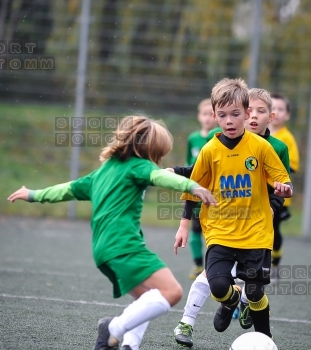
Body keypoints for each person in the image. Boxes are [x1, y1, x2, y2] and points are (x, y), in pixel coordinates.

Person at [7, 116, 217, 350]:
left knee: (146, 298)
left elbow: (65, 190)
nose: (158, 160)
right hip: (123, 245)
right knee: (171, 291)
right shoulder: (139, 165)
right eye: (158, 153)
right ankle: (113, 329)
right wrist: (192, 185)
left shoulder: (101, 173)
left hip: (103, 250)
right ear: (147, 149)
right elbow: (160, 176)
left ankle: (129, 345)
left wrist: (34, 194)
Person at [173, 79, 292, 347]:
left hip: (256, 234)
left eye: (235, 114)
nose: (229, 120)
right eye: (223, 115)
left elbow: (281, 180)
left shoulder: (261, 148)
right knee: (217, 286)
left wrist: (285, 189)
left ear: (247, 114)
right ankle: (231, 301)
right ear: (214, 116)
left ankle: (265, 340)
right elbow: (194, 187)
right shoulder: (209, 150)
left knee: (256, 291)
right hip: (219, 232)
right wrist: (183, 226)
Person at [185, 98, 218, 279]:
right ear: (199, 116)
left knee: (213, 231)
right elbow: (188, 163)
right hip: (197, 191)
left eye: (210, 114)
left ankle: (214, 266)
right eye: (204, 114)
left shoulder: (219, 137)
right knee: (195, 228)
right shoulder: (193, 138)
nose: (207, 118)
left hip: (215, 193)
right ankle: (198, 265)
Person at [269, 92, 300, 278]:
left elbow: (293, 166)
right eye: (273, 108)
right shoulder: (256, 136)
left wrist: (272, 166)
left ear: (287, 115)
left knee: (274, 228)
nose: (277, 112)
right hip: (258, 193)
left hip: (278, 195)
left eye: (281, 109)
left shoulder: (286, 138)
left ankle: (275, 263)